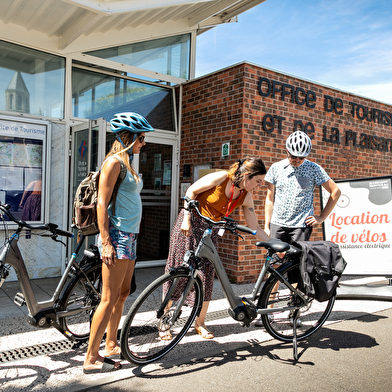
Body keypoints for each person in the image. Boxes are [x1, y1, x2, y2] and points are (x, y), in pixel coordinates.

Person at [163, 157, 270, 340]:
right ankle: (165, 322)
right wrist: (187, 218)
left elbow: (255, 228)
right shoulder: (222, 178)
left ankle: (200, 323)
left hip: (211, 232)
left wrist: (274, 244)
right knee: (179, 273)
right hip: (189, 225)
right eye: (258, 181)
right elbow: (191, 192)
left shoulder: (246, 196)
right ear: (246, 176)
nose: (259, 186)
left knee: (206, 277)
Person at [83, 112, 154, 374]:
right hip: (118, 235)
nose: (143, 143)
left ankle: (112, 344)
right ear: (130, 137)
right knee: (108, 297)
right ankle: (91, 357)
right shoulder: (113, 162)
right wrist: (106, 241)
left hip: (131, 236)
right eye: (141, 138)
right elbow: (102, 203)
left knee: (123, 293)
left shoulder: (128, 162)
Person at [255, 131, 341, 327]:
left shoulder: (314, 169)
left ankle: (294, 311)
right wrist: (268, 224)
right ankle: (267, 312)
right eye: (293, 156)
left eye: (301, 157)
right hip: (278, 224)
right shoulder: (276, 168)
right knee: (274, 266)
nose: (296, 160)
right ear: (286, 151)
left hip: (301, 226)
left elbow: (335, 192)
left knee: (296, 270)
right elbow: (270, 198)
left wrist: (321, 217)